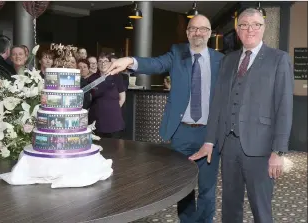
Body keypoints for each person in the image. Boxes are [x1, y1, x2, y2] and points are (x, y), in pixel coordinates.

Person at [106, 15, 224, 223]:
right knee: (183, 186)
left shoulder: (220, 60)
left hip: (209, 133)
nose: (198, 33)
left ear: (210, 33)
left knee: (207, 188)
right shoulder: (176, 54)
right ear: (187, 33)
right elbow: (155, 64)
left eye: (203, 29)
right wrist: (129, 61)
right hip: (181, 132)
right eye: (193, 29)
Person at [189, 8, 294, 223]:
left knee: (261, 211)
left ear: (263, 28)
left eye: (256, 24)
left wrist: (278, 151)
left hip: (262, 148)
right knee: (230, 207)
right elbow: (218, 102)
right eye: (244, 24)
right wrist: (209, 141)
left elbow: (284, 107)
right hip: (229, 147)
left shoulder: (278, 59)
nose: (250, 29)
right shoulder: (228, 60)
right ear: (237, 30)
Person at [88, 52, 126, 139]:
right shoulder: (92, 78)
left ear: (110, 63)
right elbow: (89, 97)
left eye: (105, 61)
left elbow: (122, 97)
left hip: (114, 119)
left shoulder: (117, 77)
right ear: (97, 64)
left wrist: (113, 109)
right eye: (100, 61)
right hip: (97, 119)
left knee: (115, 148)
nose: (103, 63)